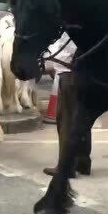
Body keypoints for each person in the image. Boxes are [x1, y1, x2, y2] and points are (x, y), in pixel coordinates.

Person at [42, 33, 92, 178]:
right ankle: (83, 162)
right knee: (81, 118)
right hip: (80, 74)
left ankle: (66, 166)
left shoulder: (69, 24)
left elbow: (64, 50)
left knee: (65, 121)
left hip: (68, 73)